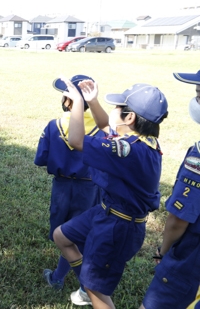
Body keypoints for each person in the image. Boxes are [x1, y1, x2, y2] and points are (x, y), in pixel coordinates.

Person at [53, 81, 168, 309]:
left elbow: (76, 141)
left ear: (130, 118)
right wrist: (93, 101)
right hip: (106, 211)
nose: (114, 110)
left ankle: (90, 288)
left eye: (117, 107)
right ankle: (87, 285)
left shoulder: (129, 150)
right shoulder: (141, 141)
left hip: (118, 227)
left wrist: (78, 103)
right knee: (61, 237)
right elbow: (106, 126)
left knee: (99, 293)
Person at [34, 75, 104, 291]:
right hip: (90, 188)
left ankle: (64, 279)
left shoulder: (53, 125)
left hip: (62, 187)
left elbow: (41, 159)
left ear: (67, 101)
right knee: (83, 233)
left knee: (63, 233)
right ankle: (62, 277)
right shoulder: (102, 128)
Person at [140, 70, 200, 309]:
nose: (196, 101)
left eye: (199, 94)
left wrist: (162, 252)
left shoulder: (198, 158)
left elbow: (177, 220)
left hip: (190, 259)